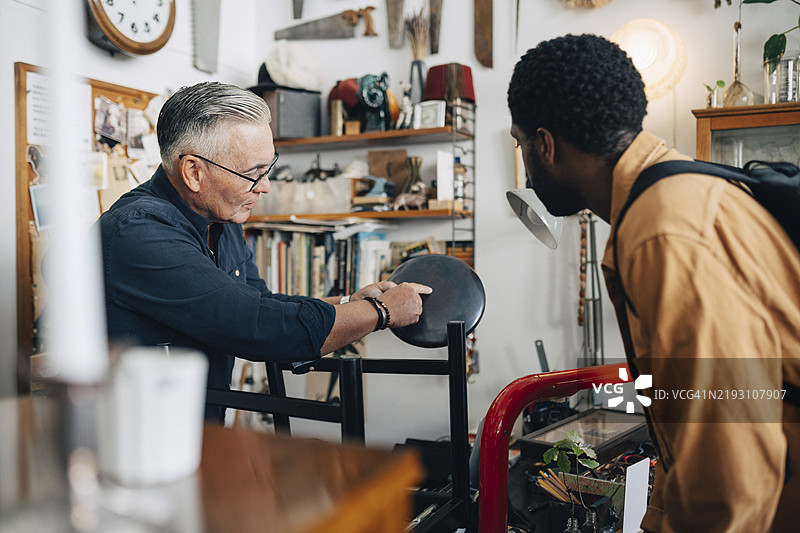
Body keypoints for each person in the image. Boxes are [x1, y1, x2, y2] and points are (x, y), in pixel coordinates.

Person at [508, 34, 800, 532]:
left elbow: (728, 476)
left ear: (546, 144)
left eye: (521, 147)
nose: (527, 170)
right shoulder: (675, 192)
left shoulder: (662, 230)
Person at [97, 82, 431, 422]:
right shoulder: (138, 232)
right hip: (132, 441)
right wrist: (381, 311)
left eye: (268, 168)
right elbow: (257, 325)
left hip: (199, 432)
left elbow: (261, 302)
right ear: (194, 172)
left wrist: (350, 303)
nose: (266, 185)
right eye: (252, 173)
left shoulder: (221, 220)